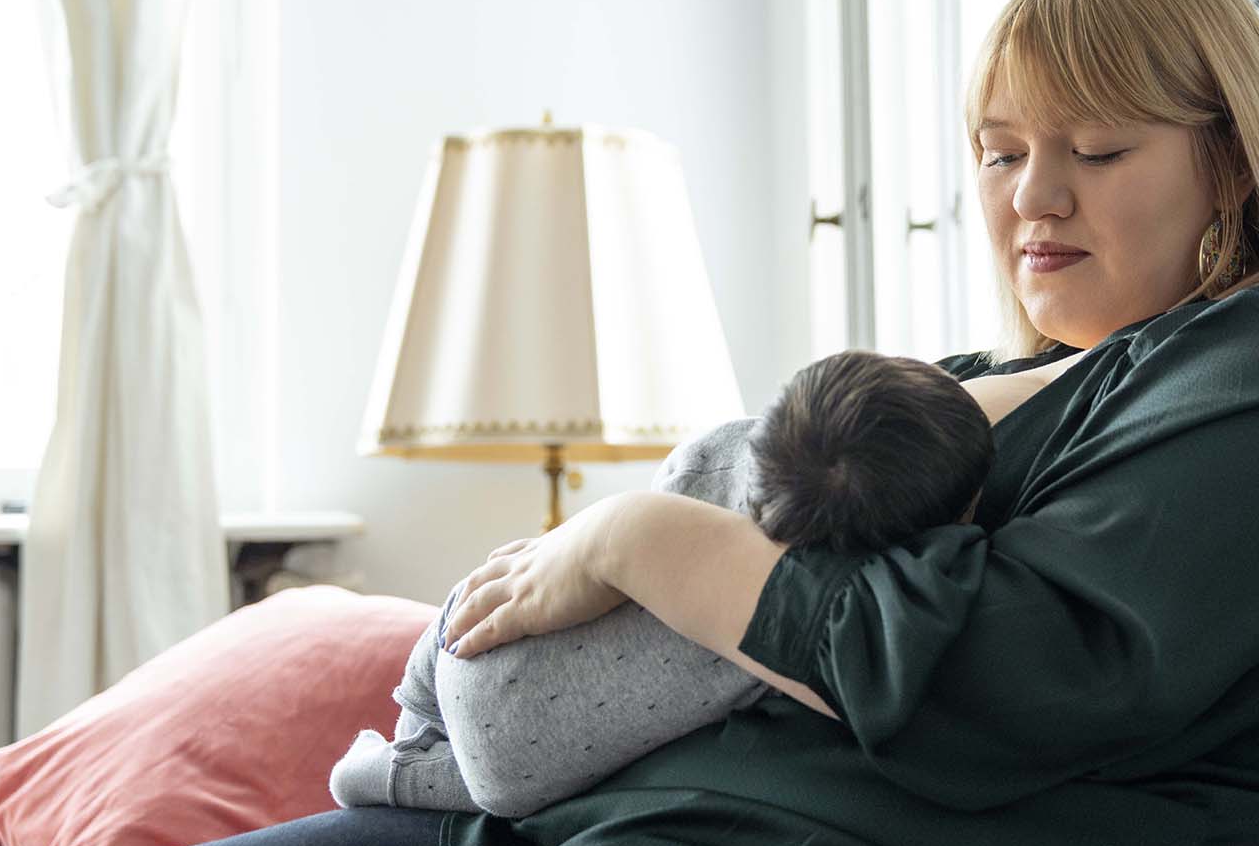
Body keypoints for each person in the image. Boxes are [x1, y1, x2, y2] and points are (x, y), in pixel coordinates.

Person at [72, 0, 1259, 846]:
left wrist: (644, 542)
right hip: (733, 834)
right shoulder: (973, 376)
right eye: (1000, 153)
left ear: (1233, 167)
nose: (1030, 199)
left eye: (1095, 149)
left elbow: (1033, 678)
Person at [327, 349, 996, 817]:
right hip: (510, 762)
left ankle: (409, 720)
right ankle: (386, 776)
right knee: (475, 780)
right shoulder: (785, 608)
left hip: (472, 621)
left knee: (455, 638)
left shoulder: (718, 450)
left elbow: (676, 477)